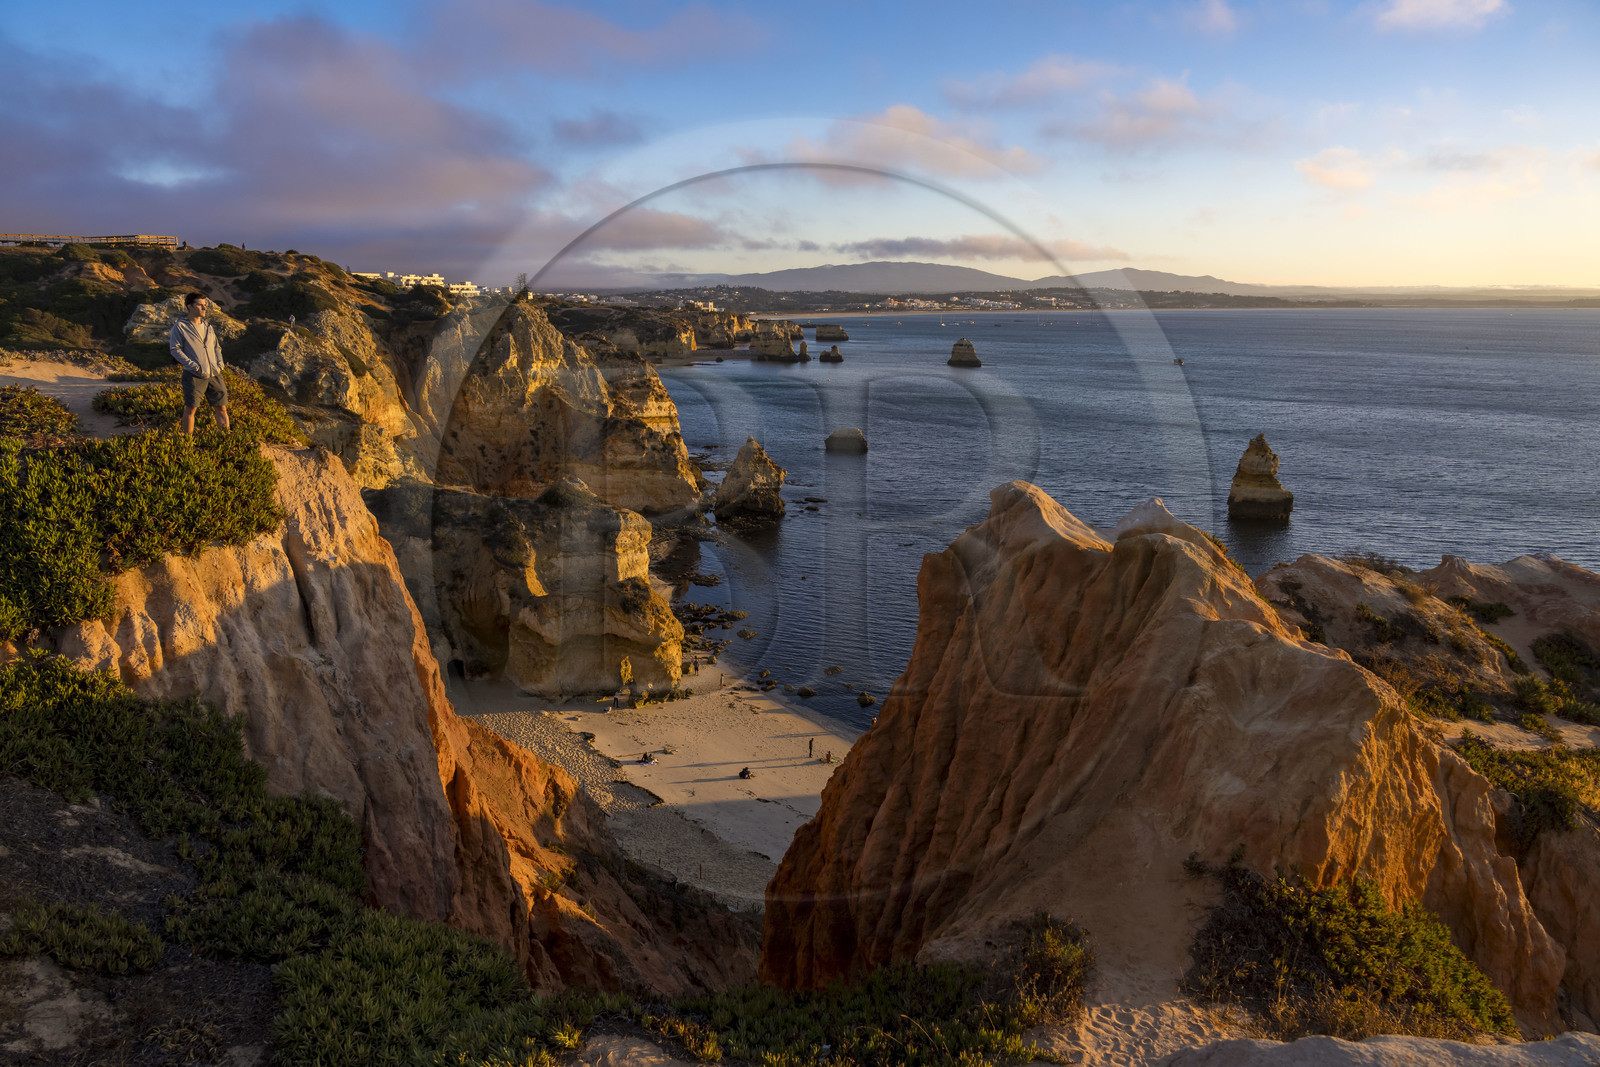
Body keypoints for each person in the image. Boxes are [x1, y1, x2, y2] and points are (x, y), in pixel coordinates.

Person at [168, 293, 230, 434]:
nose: (204, 307)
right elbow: (174, 349)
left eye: (205, 305)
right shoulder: (180, 327)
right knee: (191, 409)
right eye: (200, 305)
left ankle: (226, 439)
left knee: (222, 408)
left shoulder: (208, 326)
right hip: (194, 375)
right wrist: (193, 366)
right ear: (190, 306)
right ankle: (187, 442)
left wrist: (219, 365)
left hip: (214, 373)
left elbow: (217, 347)